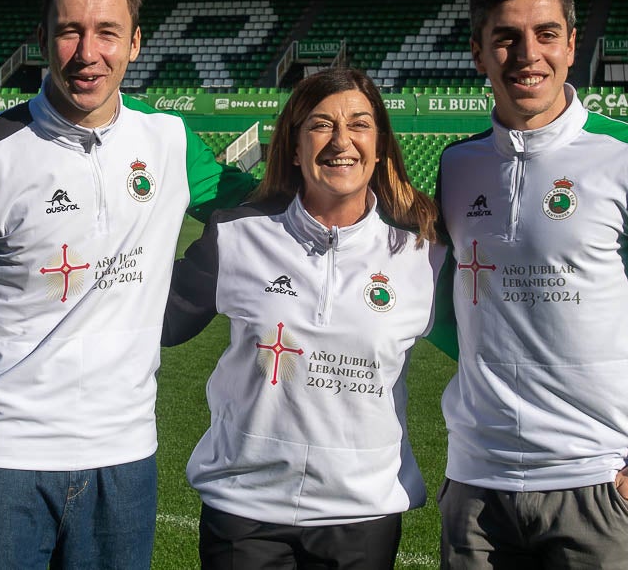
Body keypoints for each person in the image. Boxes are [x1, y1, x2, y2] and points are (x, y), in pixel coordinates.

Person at [0, 0, 255, 568]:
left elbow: (260, 208)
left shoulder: (169, 142)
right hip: (1, 459)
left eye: (107, 33)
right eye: (70, 31)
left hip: (125, 458)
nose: (88, 52)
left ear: (136, 43)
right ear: (43, 40)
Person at [429, 0, 628, 568]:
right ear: (478, 52)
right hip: (477, 483)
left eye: (545, 34)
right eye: (505, 37)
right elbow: (447, 310)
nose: (526, 54)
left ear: (571, 45)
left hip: (601, 481)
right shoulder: (457, 167)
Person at [162, 67, 443, 570]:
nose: (341, 141)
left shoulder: (423, 252)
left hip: (363, 515)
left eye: (359, 124)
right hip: (242, 510)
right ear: (293, 147)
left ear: (379, 146)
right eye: (321, 124)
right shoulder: (235, 237)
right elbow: (155, 322)